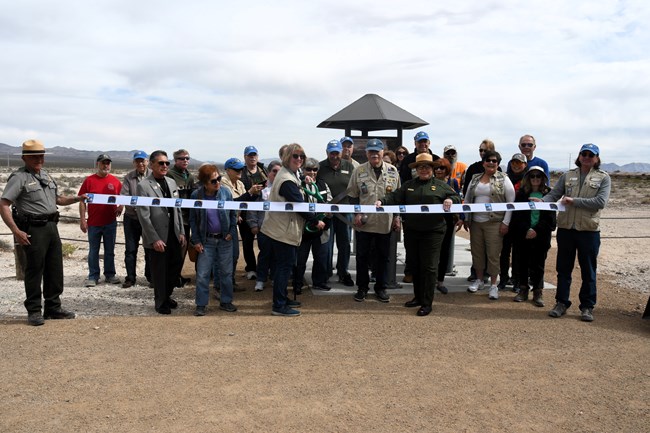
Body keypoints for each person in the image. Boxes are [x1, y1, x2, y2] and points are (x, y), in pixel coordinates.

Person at [0, 139, 85, 326]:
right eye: (34, 156)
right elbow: (4, 204)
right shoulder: (19, 178)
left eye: (41, 156)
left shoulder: (46, 175)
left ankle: (53, 307)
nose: (39, 159)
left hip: (51, 226)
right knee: (34, 270)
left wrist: (78, 198)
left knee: (55, 269)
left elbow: (58, 199)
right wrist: (15, 230)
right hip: (33, 229)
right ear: (24, 158)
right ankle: (34, 310)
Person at [378, 153, 459, 316]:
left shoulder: (441, 185)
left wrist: (450, 200)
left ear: (433, 169)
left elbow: (456, 197)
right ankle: (418, 296)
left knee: (429, 267)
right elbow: (395, 197)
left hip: (433, 232)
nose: (424, 170)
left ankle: (427, 302)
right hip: (412, 231)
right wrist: (382, 201)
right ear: (416, 169)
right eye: (421, 167)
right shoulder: (409, 185)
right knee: (415, 265)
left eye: (427, 167)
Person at [542, 144, 610, 322]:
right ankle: (561, 303)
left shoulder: (603, 178)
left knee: (588, 270)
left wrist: (574, 201)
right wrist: (540, 202)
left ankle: (587, 306)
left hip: (588, 231)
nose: (587, 157)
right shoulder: (567, 175)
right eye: (584, 154)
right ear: (579, 156)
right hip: (566, 229)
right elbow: (554, 194)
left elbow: (600, 202)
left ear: (596, 159)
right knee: (563, 269)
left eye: (591, 155)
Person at [261, 144, 325, 316]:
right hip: (282, 230)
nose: (299, 159)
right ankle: (279, 305)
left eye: (301, 156)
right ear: (287, 157)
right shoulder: (287, 180)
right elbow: (300, 204)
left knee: (286, 266)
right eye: (295, 156)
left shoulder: (289, 175)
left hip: (283, 228)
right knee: (284, 267)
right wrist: (315, 221)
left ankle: (283, 298)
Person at [347, 138, 401, 303]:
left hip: (385, 223)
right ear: (366, 153)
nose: (374, 154)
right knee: (362, 257)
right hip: (364, 223)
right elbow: (352, 195)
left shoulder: (392, 171)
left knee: (383, 257)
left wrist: (398, 218)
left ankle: (381, 288)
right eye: (371, 152)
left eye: (377, 151)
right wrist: (356, 213)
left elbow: (398, 197)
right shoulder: (359, 170)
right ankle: (362, 288)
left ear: (382, 152)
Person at [136, 150, 186, 314]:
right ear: (151, 165)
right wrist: (154, 239)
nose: (164, 166)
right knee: (159, 271)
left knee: (175, 266)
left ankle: (167, 295)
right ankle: (160, 302)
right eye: (161, 163)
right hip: (157, 236)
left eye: (167, 163)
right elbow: (144, 216)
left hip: (173, 232)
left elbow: (177, 209)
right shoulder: (143, 186)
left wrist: (181, 231)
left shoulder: (171, 182)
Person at [463, 150, 516, 300]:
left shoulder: (504, 179)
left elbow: (511, 202)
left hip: (494, 222)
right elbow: (467, 199)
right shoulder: (475, 178)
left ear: (498, 164)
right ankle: (479, 280)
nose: (491, 163)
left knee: (493, 254)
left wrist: (506, 222)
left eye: (494, 161)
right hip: (476, 222)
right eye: (488, 160)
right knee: (477, 253)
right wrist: (466, 217)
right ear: (483, 162)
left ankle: (493, 285)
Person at [189, 164, 238, 316]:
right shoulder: (196, 196)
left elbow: (233, 214)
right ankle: (201, 305)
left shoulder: (226, 193)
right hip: (206, 241)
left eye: (219, 178)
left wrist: (231, 231)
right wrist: (196, 241)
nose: (218, 182)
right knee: (203, 274)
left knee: (226, 272)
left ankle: (226, 301)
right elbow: (193, 221)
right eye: (213, 181)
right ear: (204, 183)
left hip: (225, 240)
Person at [511, 166, 556, 307]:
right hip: (523, 234)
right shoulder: (521, 194)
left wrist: (536, 230)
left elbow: (550, 218)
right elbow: (517, 215)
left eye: (538, 176)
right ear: (528, 178)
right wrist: (526, 229)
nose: (535, 179)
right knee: (522, 262)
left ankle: (538, 291)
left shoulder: (549, 194)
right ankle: (523, 289)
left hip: (541, 235)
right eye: (532, 176)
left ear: (543, 178)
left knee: (539, 264)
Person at [398, 131, 440, 283]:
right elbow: (403, 182)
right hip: (412, 207)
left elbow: (443, 180)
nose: (423, 144)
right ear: (415, 143)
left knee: (430, 248)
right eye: (420, 142)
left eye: (425, 142)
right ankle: (410, 271)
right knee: (411, 245)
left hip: (432, 208)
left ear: (429, 143)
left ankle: (430, 275)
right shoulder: (408, 160)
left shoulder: (436, 159)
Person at [78, 153, 123, 287]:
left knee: (109, 250)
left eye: (108, 163)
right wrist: (82, 220)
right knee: (93, 250)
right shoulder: (89, 180)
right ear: (97, 164)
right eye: (103, 162)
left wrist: (121, 206)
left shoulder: (115, 181)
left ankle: (110, 275)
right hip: (93, 223)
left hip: (110, 222)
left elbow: (123, 197)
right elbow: (82, 201)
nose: (106, 165)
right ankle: (93, 276)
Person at [221, 157, 263, 290]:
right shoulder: (223, 183)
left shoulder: (239, 183)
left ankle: (230, 283)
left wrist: (255, 193)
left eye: (241, 168)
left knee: (233, 255)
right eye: (236, 169)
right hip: (224, 224)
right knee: (226, 255)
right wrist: (250, 192)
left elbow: (243, 202)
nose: (240, 171)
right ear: (227, 170)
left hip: (233, 220)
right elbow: (232, 202)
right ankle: (223, 285)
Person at [462, 138, 501, 282]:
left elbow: (506, 199)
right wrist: (465, 216)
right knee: (477, 249)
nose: (482, 153)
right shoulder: (473, 169)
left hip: (493, 219)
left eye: (485, 150)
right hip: (476, 218)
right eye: (480, 150)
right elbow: (466, 193)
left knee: (492, 251)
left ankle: (493, 281)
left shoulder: (500, 173)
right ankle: (477, 274)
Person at [318, 139, 355, 286]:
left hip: (345, 212)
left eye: (337, 153)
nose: (334, 156)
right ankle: (326, 271)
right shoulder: (320, 167)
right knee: (326, 243)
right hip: (326, 213)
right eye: (331, 153)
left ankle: (343, 272)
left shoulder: (349, 166)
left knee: (344, 243)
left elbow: (354, 187)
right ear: (327, 153)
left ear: (341, 152)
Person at [293, 158, 332, 294]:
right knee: (300, 259)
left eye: (315, 169)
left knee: (321, 258)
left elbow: (329, 201)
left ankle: (319, 282)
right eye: (308, 169)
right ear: (303, 170)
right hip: (304, 229)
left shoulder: (323, 184)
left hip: (321, 229)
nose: (312, 172)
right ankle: (297, 284)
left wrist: (328, 212)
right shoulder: (298, 185)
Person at [247, 160, 282, 292]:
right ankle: (261, 279)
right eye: (274, 171)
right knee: (265, 255)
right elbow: (252, 209)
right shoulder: (261, 190)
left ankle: (274, 277)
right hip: (264, 228)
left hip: (279, 229)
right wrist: (253, 224)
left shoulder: (284, 190)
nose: (276, 174)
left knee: (277, 255)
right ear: (268, 173)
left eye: (279, 172)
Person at [120, 150, 152, 288]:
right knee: (130, 249)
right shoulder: (128, 177)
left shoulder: (153, 176)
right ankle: (130, 278)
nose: (140, 163)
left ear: (147, 162)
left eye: (142, 160)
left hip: (150, 219)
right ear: (134, 163)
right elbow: (125, 196)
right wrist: (140, 208)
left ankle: (151, 277)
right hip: (132, 218)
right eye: (137, 161)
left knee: (150, 249)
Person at [498, 152, 528, 291]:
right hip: (506, 219)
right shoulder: (505, 178)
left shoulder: (529, 179)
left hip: (521, 222)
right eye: (514, 163)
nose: (516, 165)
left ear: (525, 165)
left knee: (519, 253)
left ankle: (516, 280)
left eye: (519, 163)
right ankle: (503, 278)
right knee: (504, 252)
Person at [432, 157, 463, 295]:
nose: (439, 170)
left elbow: (458, 198)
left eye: (442, 168)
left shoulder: (453, 182)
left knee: (444, 252)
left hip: (447, 221)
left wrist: (461, 217)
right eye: (437, 168)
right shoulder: (429, 182)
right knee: (432, 252)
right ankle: (429, 280)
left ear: (447, 170)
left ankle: (440, 281)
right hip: (432, 221)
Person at [166, 148, 196, 287]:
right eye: (182, 158)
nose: (185, 161)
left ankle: (177, 275)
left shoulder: (189, 176)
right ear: (175, 160)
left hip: (187, 216)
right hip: (175, 217)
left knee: (183, 248)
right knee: (175, 248)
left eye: (187, 158)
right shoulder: (170, 175)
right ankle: (171, 277)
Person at [239, 145, 269, 280]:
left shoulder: (264, 169)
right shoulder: (241, 172)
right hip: (246, 211)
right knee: (247, 241)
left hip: (263, 210)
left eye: (254, 155)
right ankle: (251, 268)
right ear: (245, 157)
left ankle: (264, 267)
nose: (252, 158)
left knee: (265, 241)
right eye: (249, 155)